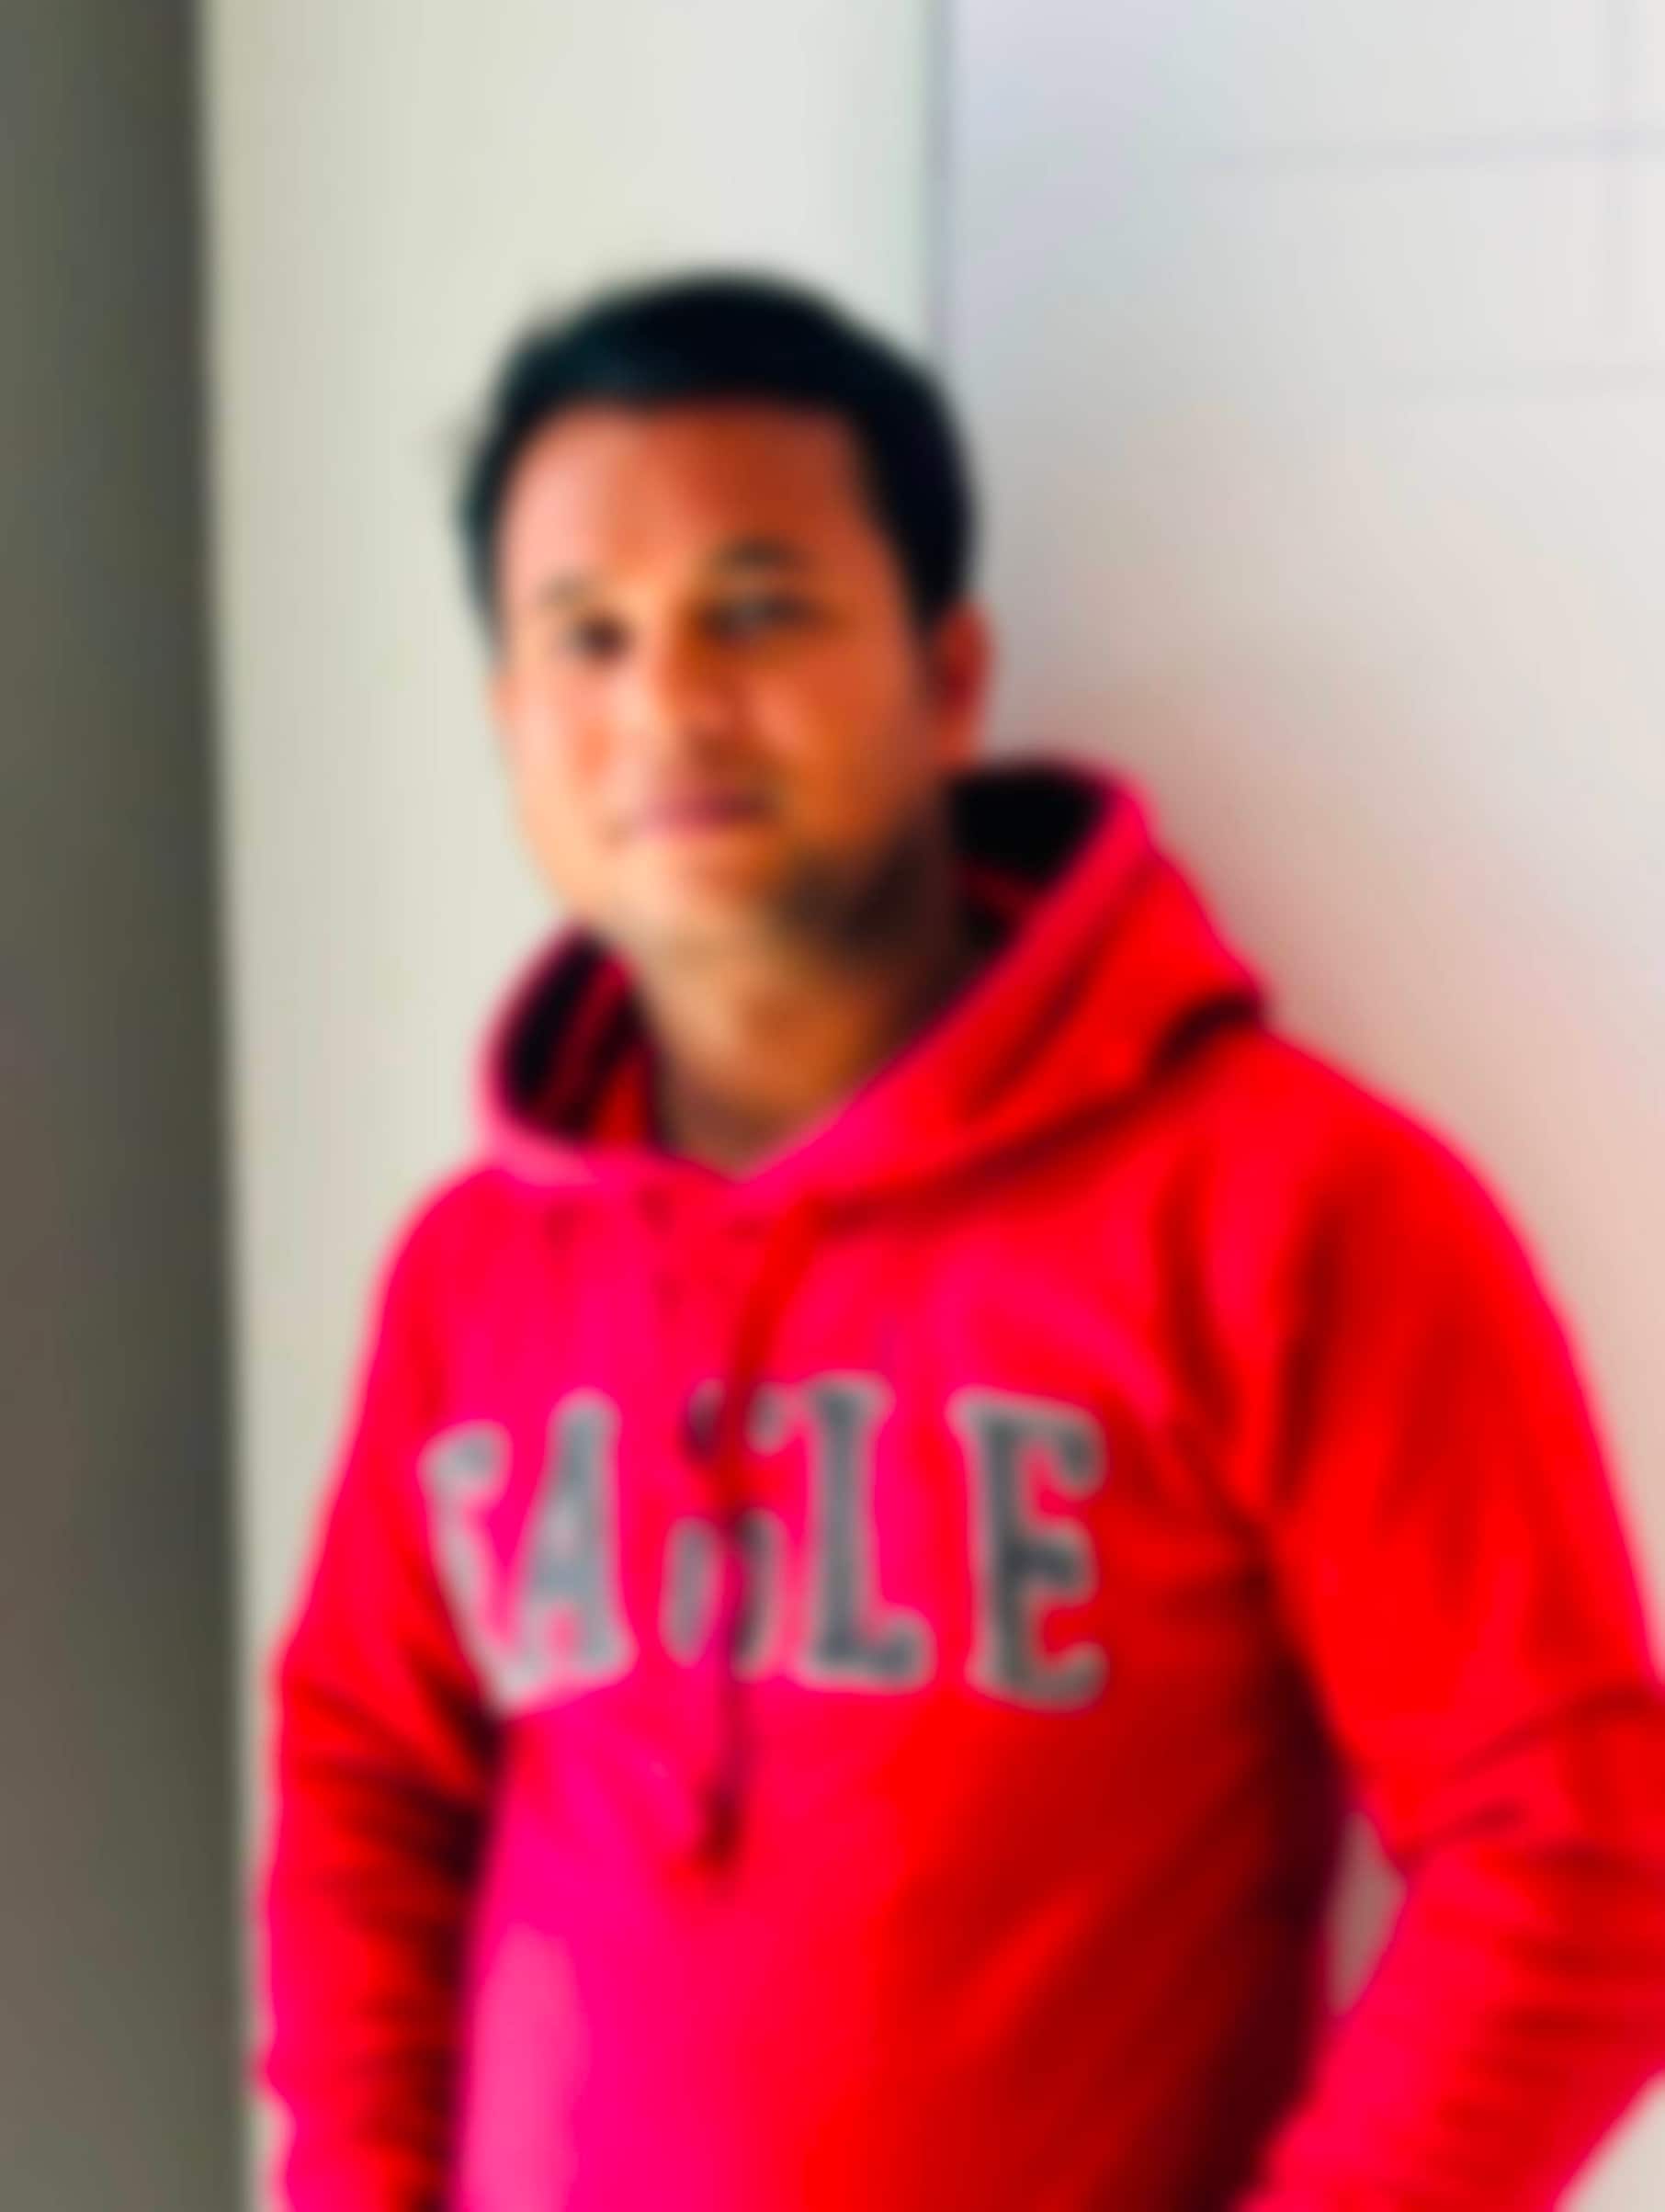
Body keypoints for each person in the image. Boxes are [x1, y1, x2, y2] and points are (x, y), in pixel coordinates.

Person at [257, 269, 1665, 2212]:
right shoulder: (475, 1274)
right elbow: (366, 1790)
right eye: (586, 635)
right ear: (512, 718)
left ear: (949, 674)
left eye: (759, 607)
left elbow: (1574, 1848)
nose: (668, 700)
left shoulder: (1282, 1209)